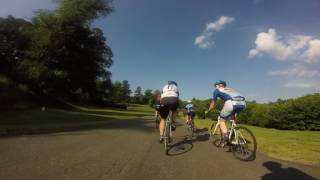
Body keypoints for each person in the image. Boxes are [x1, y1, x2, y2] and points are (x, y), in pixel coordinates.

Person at [205, 80, 246, 146]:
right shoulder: (230, 89)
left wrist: (209, 110)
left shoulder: (217, 90)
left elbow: (213, 103)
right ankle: (233, 130)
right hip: (242, 103)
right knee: (233, 116)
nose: (215, 87)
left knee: (222, 120)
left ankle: (226, 138)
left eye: (215, 86)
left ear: (217, 85)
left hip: (231, 103)